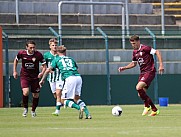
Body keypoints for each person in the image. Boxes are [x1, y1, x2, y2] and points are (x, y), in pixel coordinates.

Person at [39, 45, 92, 119]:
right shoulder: (71, 59)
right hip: (78, 77)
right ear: (65, 52)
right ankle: (88, 114)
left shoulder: (57, 59)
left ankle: (79, 108)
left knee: (62, 100)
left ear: (57, 52)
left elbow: (48, 70)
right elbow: (75, 68)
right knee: (76, 98)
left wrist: (42, 80)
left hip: (70, 78)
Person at [118, 35, 164, 116]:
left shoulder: (145, 48)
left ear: (138, 42)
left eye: (134, 43)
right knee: (140, 94)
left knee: (138, 87)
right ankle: (151, 108)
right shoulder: (134, 52)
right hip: (142, 73)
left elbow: (157, 52)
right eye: (132, 44)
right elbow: (133, 64)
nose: (133, 45)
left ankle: (149, 107)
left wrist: (161, 65)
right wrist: (124, 68)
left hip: (150, 71)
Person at [13, 40, 46, 117]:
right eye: (30, 47)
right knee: (26, 92)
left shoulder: (38, 55)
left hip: (35, 77)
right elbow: (16, 60)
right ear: (26, 47)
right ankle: (25, 108)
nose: (32, 49)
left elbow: (44, 65)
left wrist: (41, 73)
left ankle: (33, 110)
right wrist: (14, 71)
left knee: (36, 94)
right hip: (25, 76)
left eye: (33, 47)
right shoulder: (22, 53)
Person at [43, 38, 63, 116]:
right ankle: (65, 102)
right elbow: (43, 66)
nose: (54, 46)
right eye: (53, 45)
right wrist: (44, 71)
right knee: (55, 95)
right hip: (51, 78)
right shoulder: (46, 55)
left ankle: (57, 111)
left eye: (56, 45)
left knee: (58, 93)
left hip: (60, 77)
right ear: (50, 46)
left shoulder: (59, 55)